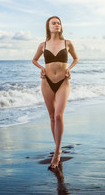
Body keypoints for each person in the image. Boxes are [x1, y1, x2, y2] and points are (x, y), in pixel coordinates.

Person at [32, 16, 79, 169]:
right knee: (52, 117)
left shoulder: (68, 43)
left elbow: (76, 59)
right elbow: (34, 60)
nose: (57, 25)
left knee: (59, 115)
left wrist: (69, 70)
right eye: (54, 23)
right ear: (48, 27)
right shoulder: (43, 44)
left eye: (58, 23)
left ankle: (57, 153)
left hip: (63, 82)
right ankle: (57, 147)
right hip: (47, 83)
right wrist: (42, 69)